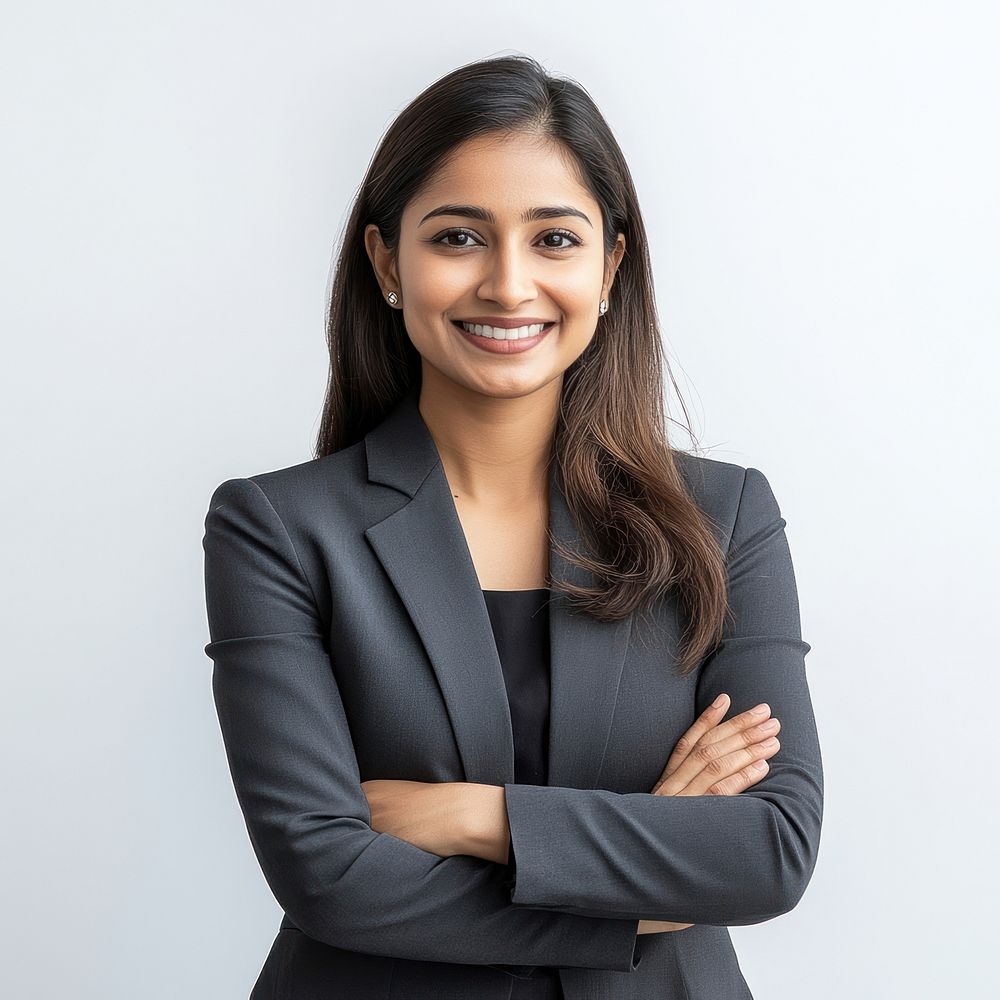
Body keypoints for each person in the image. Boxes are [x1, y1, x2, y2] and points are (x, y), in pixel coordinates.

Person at [202, 54, 823, 1000]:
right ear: (386, 263)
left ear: (611, 266)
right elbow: (329, 878)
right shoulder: (279, 529)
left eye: (555, 240)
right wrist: (652, 868)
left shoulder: (724, 518)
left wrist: (474, 818)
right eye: (458, 236)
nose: (507, 284)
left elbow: (770, 850)